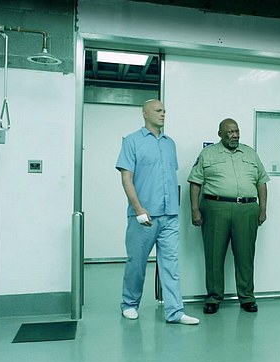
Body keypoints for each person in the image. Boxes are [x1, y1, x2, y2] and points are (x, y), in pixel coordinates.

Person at [115, 99, 199, 325]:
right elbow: (126, 179)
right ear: (145, 114)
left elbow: (170, 177)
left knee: (170, 265)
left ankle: (175, 312)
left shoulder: (170, 144)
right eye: (158, 110)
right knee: (137, 263)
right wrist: (138, 208)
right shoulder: (132, 141)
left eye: (164, 111)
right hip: (144, 215)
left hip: (169, 214)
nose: (162, 114)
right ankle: (129, 304)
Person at [187, 118, 269, 314]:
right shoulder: (208, 154)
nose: (234, 135)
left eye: (237, 131)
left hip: (246, 210)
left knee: (245, 256)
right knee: (214, 255)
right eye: (230, 132)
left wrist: (263, 209)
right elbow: (195, 182)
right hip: (216, 209)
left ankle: (247, 297)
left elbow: (261, 182)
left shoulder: (250, 153)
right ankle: (214, 298)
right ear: (220, 134)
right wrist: (195, 209)